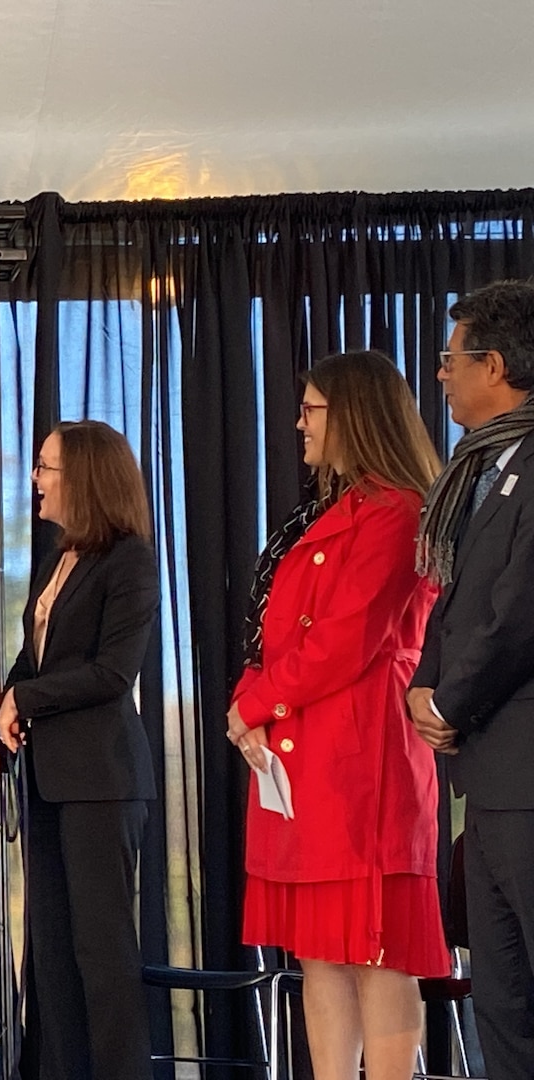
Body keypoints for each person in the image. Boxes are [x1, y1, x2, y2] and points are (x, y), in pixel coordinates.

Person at [227, 351, 445, 1080]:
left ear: (353, 414)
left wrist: (256, 703)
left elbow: (345, 639)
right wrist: (246, 705)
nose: (299, 422)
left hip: (363, 764)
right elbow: (279, 632)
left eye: (312, 409)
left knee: (376, 953)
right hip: (303, 758)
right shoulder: (323, 511)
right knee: (321, 953)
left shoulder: (399, 511)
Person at [0, 419, 158, 1080]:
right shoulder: (62, 557)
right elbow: (33, 666)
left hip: (102, 782)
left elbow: (114, 672)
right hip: (49, 779)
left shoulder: (130, 560)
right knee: (52, 952)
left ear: (84, 477)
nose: (35, 480)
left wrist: (26, 702)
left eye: (46, 467)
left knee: (102, 954)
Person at [408, 280, 534, 1077]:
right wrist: (423, 687)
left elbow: (520, 611)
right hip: (486, 780)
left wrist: (450, 701)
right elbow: (451, 604)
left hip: (523, 768)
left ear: (493, 364)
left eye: (451, 361)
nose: (443, 376)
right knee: (501, 994)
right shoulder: (482, 471)